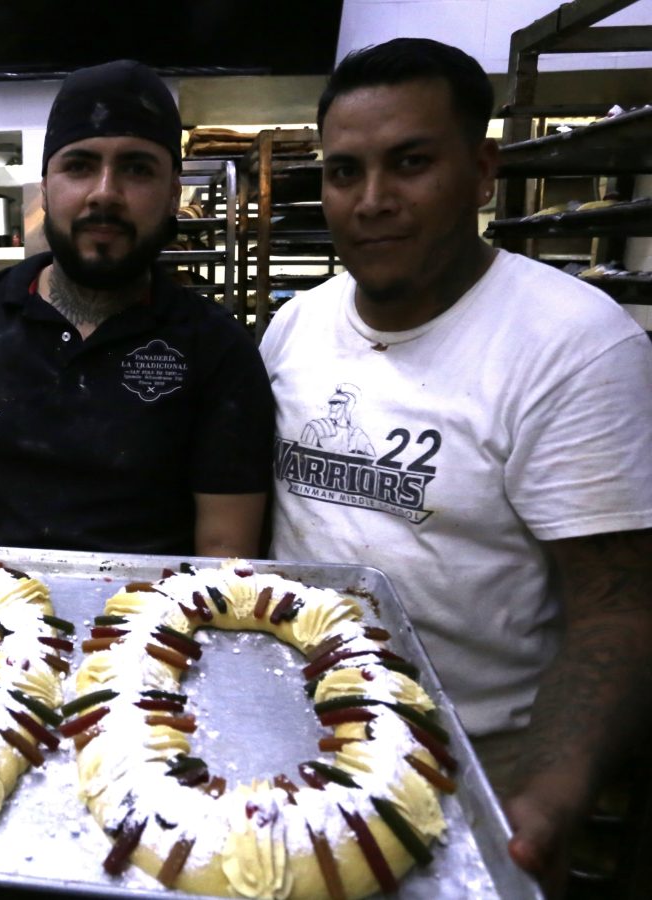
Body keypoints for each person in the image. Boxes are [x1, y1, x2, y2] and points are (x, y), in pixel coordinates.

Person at [259, 37, 652, 892]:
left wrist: (553, 789)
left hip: (468, 759)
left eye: (410, 164)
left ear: (482, 173)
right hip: (293, 730)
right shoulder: (295, 327)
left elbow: (616, 608)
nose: (372, 201)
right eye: (344, 171)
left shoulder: (574, 347)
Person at [0, 59, 274, 563]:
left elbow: (224, 552)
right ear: (47, 187)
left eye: (137, 168)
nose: (105, 192)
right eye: (79, 166)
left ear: (173, 193)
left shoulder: (218, 349)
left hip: (147, 627)